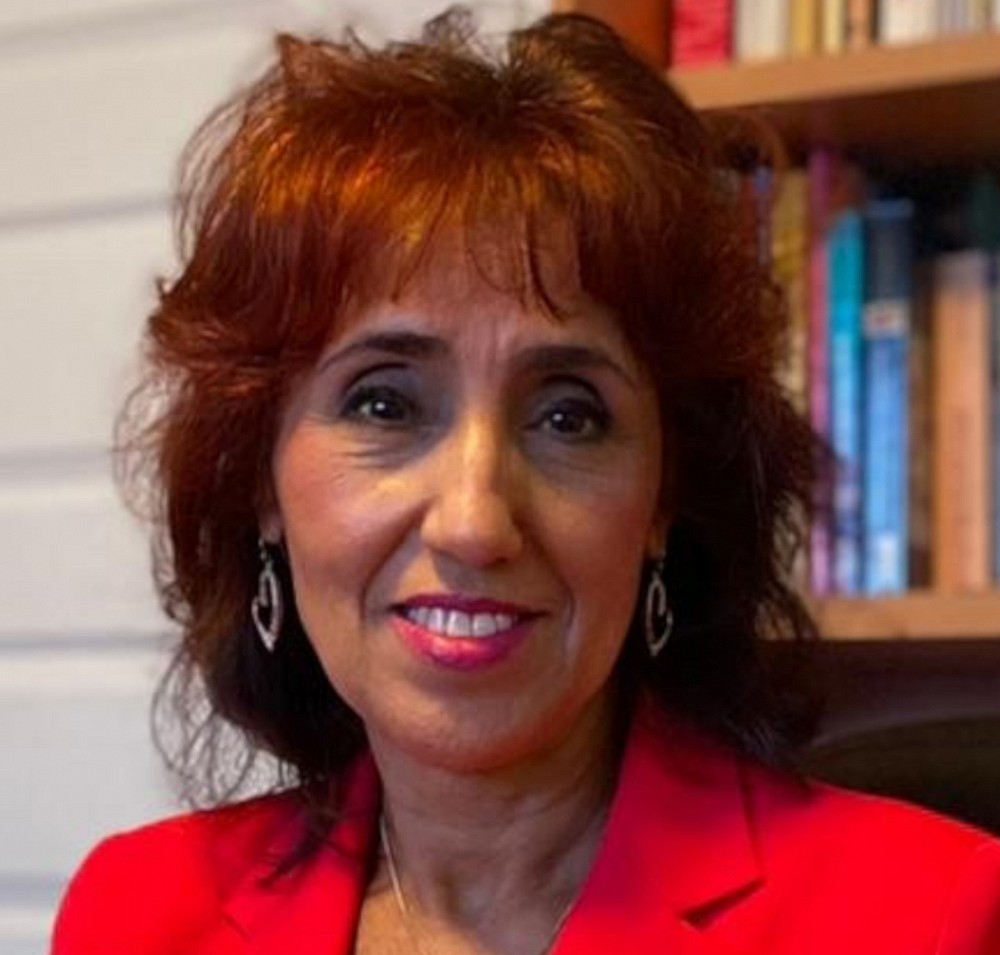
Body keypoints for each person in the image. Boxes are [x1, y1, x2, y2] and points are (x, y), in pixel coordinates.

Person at [52, 8, 1000, 955]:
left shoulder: (928, 918)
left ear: (664, 497)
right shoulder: (140, 914)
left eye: (568, 416)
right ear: (263, 480)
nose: (474, 520)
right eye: (384, 404)